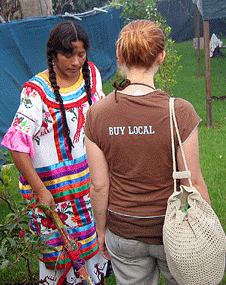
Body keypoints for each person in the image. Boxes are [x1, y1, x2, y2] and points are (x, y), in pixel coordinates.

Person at [84, 19, 211, 285]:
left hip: (123, 233)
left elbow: (98, 185)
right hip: (174, 231)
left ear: (119, 57)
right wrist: (208, 230)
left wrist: (100, 232)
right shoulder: (180, 111)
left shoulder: (96, 114)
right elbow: (193, 181)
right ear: (161, 57)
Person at [1, 21, 108, 284]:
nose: (75, 62)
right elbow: (16, 145)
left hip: (88, 184)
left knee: (93, 249)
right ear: (53, 54)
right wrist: (40, 191)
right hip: (52, 192)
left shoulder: (91, 75)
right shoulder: (36, 91)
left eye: (81, 54)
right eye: (68, 55)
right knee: (60, 257)